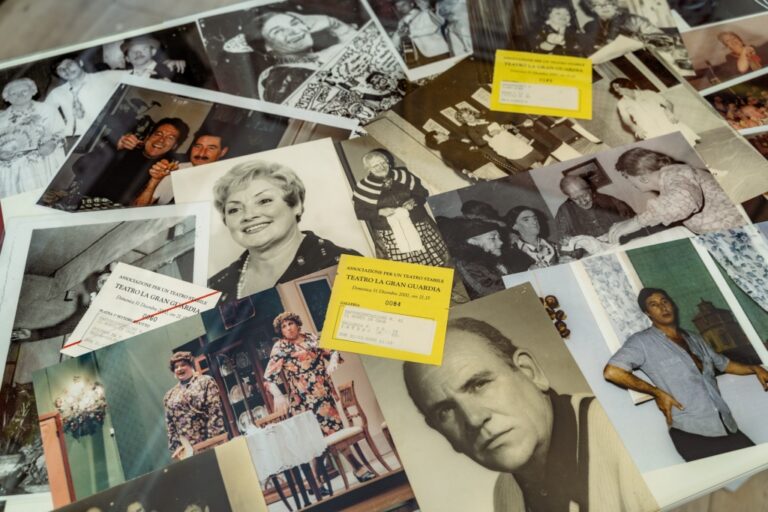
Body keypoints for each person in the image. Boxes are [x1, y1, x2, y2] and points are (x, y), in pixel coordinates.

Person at [403, 316, 658, 512]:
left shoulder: (626, 436)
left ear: (529, 371)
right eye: (445, 411)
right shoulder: (506, 491)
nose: (473, 418)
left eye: (479, 384)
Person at [604, 288, 768, 461]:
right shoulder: (642, 342)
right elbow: (612, 371)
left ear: (672, 304)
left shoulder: (694, 338)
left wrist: (755, 368)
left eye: (665, 301)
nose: (662, 307)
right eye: (654, 305)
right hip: (691, 433)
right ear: (647, 313)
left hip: (725, 425)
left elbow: (724, 364)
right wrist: (657, 393)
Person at [209, 160, 361, 303]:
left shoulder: (346, 266)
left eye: (264, 201)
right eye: (234, 209)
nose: (249, 215)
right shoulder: (214, 287)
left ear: (296, 205)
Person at [264, 312, 375, 482]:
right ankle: (357, 468)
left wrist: (333, 361)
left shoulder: (310, 338)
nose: (288, 328)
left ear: (297, 324)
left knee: (328, 435)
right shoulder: (280, 347)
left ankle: (315, 481)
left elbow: (332, 351)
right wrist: (278, 395)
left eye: (290, 323)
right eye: (284, 327)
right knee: (319, 438)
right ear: (281, 331)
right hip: (303, 401)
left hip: (323, 395)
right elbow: (268, 378)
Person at [607, 148, 745, 243]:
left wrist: (637, 222)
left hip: (738, 234)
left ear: (643, 178)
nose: (630, 183)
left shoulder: (676, 173)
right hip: (729, 235)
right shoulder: (671, 177)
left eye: (626, 177)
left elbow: (680, 203)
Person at [51, 117, 188, 209]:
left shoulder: (167, 169)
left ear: (175, 146)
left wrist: (154, 181)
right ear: (147, 137)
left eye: (170, 138)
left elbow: (138, 210)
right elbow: (78, 167)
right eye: (158, 134)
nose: (161, 140)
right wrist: (114, 147)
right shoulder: (125, 149)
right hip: (80, 201)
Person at [352, 148, 448, 266]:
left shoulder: (403, 175)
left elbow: (422, 193)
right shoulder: (363, 187)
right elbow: (360, 212)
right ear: (368, 169)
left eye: (383, 162)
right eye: (375, 165)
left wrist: (414, 201)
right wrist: (380, 212)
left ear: (388, 162)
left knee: (435, 259)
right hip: (389, 233)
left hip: (419, 224)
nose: (381, 167)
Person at [247, 11, 356, 103]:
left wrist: (332, 22)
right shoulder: (283, 78)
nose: (294, 31)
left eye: (294, 23)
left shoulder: (318, 57)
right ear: (267, 47)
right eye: (278, 31)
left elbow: (359, 44)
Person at [0, 78, 66, 198]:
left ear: (33, 91)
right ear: (6, 98)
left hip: (43, 160)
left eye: (24, 91)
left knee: (49, 199)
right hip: (12, 167)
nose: (19, 95)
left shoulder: (48, 110)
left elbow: (61, 132)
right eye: (13, 93)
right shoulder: (1, 118)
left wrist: (52, 143)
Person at [132, 128, 231, 206]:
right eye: (198, 146)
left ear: (222, 152)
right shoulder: (175, 168)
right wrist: (154, 181)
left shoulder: (227, 183)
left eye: (211, 148)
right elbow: (137, 208)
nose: (201, 153)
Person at [163, 351, 227, 460]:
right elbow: (170, 425)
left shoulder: (205, 381)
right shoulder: (169, 396)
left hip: (211, 443)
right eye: (176, 367)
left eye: (183, 365)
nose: (179, 369)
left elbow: (215, 412)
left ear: (190, 366)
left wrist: (211, 442)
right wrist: (177, 448)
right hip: (187, 452)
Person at [44, 58, 126, 137]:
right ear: (58, 74)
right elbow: (43, 115)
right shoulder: (57, 93)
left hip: (110, 133)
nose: (66, 70)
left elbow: (133, 76)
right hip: (75, 138)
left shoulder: (105, 76)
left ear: (80, 62)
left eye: (69, 64)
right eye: (61, 69)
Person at [610, 78, 700, 147]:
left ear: (626, 85)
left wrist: (669, 113)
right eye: (614, 88)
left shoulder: (648, 93)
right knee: (666, 149)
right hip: (648, 128)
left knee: (685, 144)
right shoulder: (621, 103)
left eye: (617, 87)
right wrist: (636, 128)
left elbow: (668, 104)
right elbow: (626, 120)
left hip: (665, 122)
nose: (615, 90)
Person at [554, 174, 636, 249]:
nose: (583, 201)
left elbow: (633, 222)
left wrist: (624, 228)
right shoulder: (564, 211)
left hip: (621, 245)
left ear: (590, 190)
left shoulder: (609, 201)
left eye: (584, 195)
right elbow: (561, 239)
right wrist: (565, 240)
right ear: (569, 197)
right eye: (575, 199)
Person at [443, 217, 509, 298]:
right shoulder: (467, 264)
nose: (501, 242)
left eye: (499, 238)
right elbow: (492, 291)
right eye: (492, 238)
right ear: (473, 242)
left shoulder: (491, 258)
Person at [581, 0, 669, 53]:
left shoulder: (635, 20)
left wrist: (636, 40)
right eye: (597, 4)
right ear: (592, 8)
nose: (604, 7)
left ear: (614, 4)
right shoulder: (589, 26)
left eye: (607, 2)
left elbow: (665, 40)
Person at [391, 0, 450, 66]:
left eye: (403, 5)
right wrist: (395, 43)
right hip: (419, 55)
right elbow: (398, 34)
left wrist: (411, 33)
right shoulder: (401, 22)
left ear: (412, 4)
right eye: (398, 7)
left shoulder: (425, 13)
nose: (400, 8)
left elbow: (433, 28)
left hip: (438, 51)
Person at [504, 206, 560, 272]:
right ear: (514, 226)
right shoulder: (512, 254)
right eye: (526, 220)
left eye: (535, 218)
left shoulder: (553, 245)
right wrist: (529, 271)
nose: (534, 222)